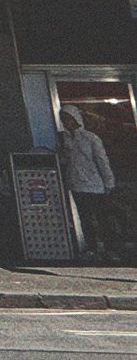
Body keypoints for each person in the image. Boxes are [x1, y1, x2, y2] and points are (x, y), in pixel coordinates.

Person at [59, 105, 116, 260]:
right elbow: (65, 161)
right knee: (85, 218)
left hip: (95, 184)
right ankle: (91, 246)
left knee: (101, 217)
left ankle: (110, 247)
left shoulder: (91, 138)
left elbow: (102, 161)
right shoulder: (64, 139)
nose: (66, 122)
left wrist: (109, 182)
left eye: (69, 119)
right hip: (76, 184)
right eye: (64, 119)